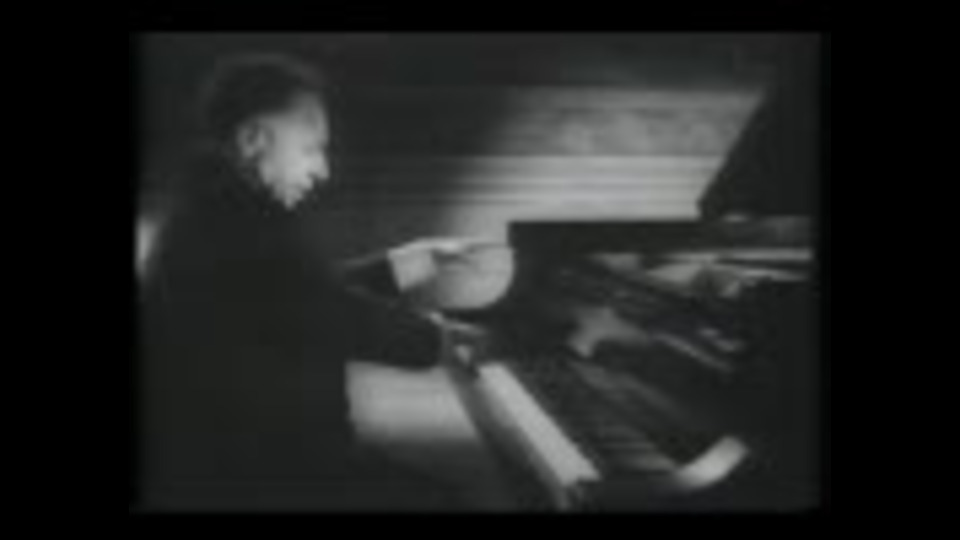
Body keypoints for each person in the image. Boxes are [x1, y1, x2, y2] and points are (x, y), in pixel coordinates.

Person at [139, 53, 481, 511]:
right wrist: (443, 340)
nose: (323, 170)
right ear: (253, 139)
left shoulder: (213, 208)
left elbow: (300, 295)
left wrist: (416, 260)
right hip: (257, 478)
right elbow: (327, 311)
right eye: (310, 148)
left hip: (250, 461)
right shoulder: (235, 219)